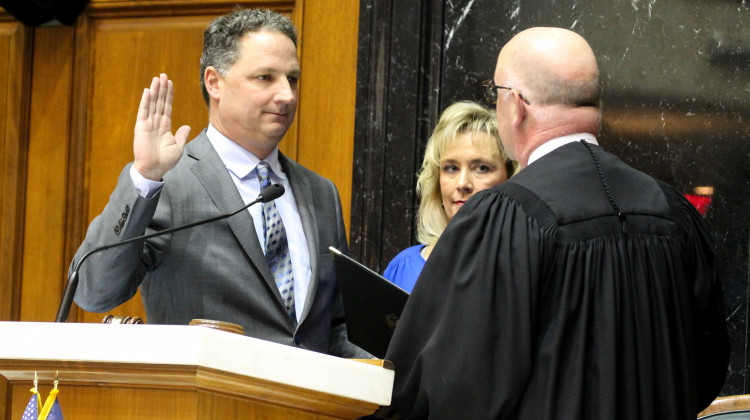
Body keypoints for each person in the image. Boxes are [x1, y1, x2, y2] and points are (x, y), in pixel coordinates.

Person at [383, 27, 730, 419]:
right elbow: (707, 364)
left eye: (494, 92)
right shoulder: (673, 212)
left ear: (515, 105)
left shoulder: (503, 218)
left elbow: (450, 390)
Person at [70, 8, 369, 358]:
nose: (286, 95)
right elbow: (94, 291)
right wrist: (145, 177)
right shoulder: (169, 183)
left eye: (292, 79)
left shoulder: (320, 194)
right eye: (265, 78)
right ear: (215, 82)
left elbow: (337, 327)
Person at [383, 101, 516, 292]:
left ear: (510, 178)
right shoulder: (402, 269)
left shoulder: (521, 271)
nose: (462, 184)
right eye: (451, 168)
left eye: (481, 168)